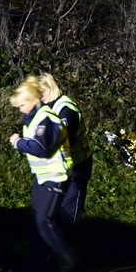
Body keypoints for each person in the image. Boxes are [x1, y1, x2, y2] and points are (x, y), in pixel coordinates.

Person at [9, 77, 77, 272]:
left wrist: (18, 143)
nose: (20, 109)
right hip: (42, 176)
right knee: (40, 220)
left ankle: (68, 261)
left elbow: (41, 148)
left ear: (32, 100)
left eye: (22, 105)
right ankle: (46, 261)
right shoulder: (33, 118)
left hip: (56, 176)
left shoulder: (45, 118)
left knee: (45, 220)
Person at [38, 73, 93, 224]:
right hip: (58, 169)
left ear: (51, 88)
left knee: (70, 211)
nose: (40, 96)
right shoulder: (46, 107)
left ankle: (70, 242)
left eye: (43, 91)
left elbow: (63, 136)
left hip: (76, 167)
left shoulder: (66, 108)